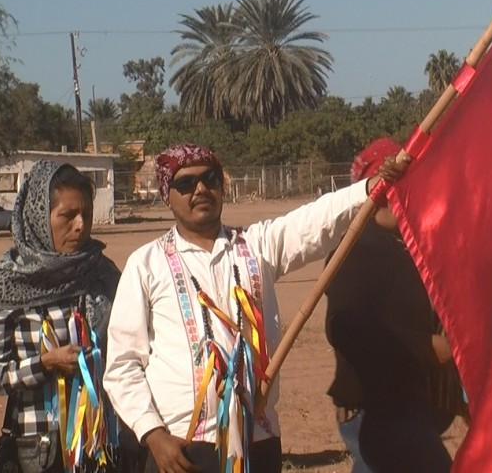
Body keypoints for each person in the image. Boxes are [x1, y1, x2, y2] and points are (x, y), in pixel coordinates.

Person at [103, 142, 401, 473]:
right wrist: (154, 436)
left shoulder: (256, 246)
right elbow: (123, 365)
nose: (200, 189)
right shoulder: (146, 264)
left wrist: (368, 188)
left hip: (258, 440)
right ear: (167, 196)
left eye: (210, 179)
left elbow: (313, 222)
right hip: (181, 449)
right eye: (185, 184)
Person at [0, 159, 140, 472]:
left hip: (105, 444)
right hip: (41, 449)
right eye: (67, 216)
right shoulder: (8, 280)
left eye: (86, 215)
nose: (79, 225)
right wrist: (44, 365)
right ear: (39, 217)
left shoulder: (104, 273)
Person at [324, 137, 467, 473]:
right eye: (386, 189)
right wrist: (428, 347)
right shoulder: (356, 250)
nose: (396, 197)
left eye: (404, 185)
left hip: (409, 407)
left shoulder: (411, 247)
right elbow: (344, 328)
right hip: (376, 412)